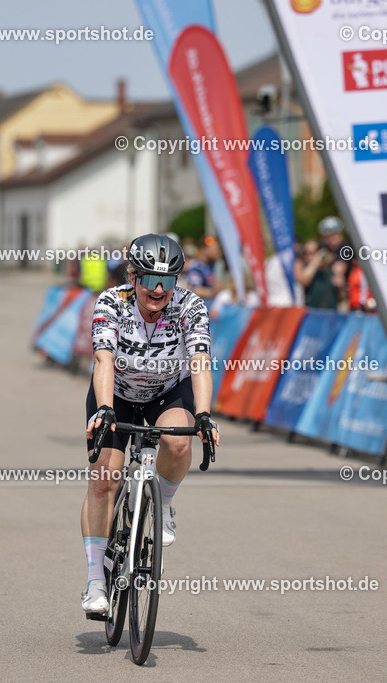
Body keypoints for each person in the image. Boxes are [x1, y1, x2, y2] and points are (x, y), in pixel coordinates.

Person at [80, 233, 220, 614]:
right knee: (104, 478)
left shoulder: (190, 307)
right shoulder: (111, 302)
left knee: (178, 443)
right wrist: (105, 408)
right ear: (132, 275)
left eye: (169, 280)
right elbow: (103, 360)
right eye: (150, 279)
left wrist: (204, 415)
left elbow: (200, 363)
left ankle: (166, 504)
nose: (159, 289)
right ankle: (95, 580)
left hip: (167, 391)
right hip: (118, 393)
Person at [296, 217, 348, 310]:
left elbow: (339, 270)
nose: (331, 239)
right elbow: (304, 279)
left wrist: (341, 286)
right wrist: (317, 259)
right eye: (328, 236)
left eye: (334, 235)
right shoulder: (314, 265)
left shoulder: (345, 249)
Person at [184, 235, 223, 301]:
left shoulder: (213, 265)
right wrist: (213, 292)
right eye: (215, 249)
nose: (218, 252)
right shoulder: (196, 266)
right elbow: (196, 290)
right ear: (204, 249)